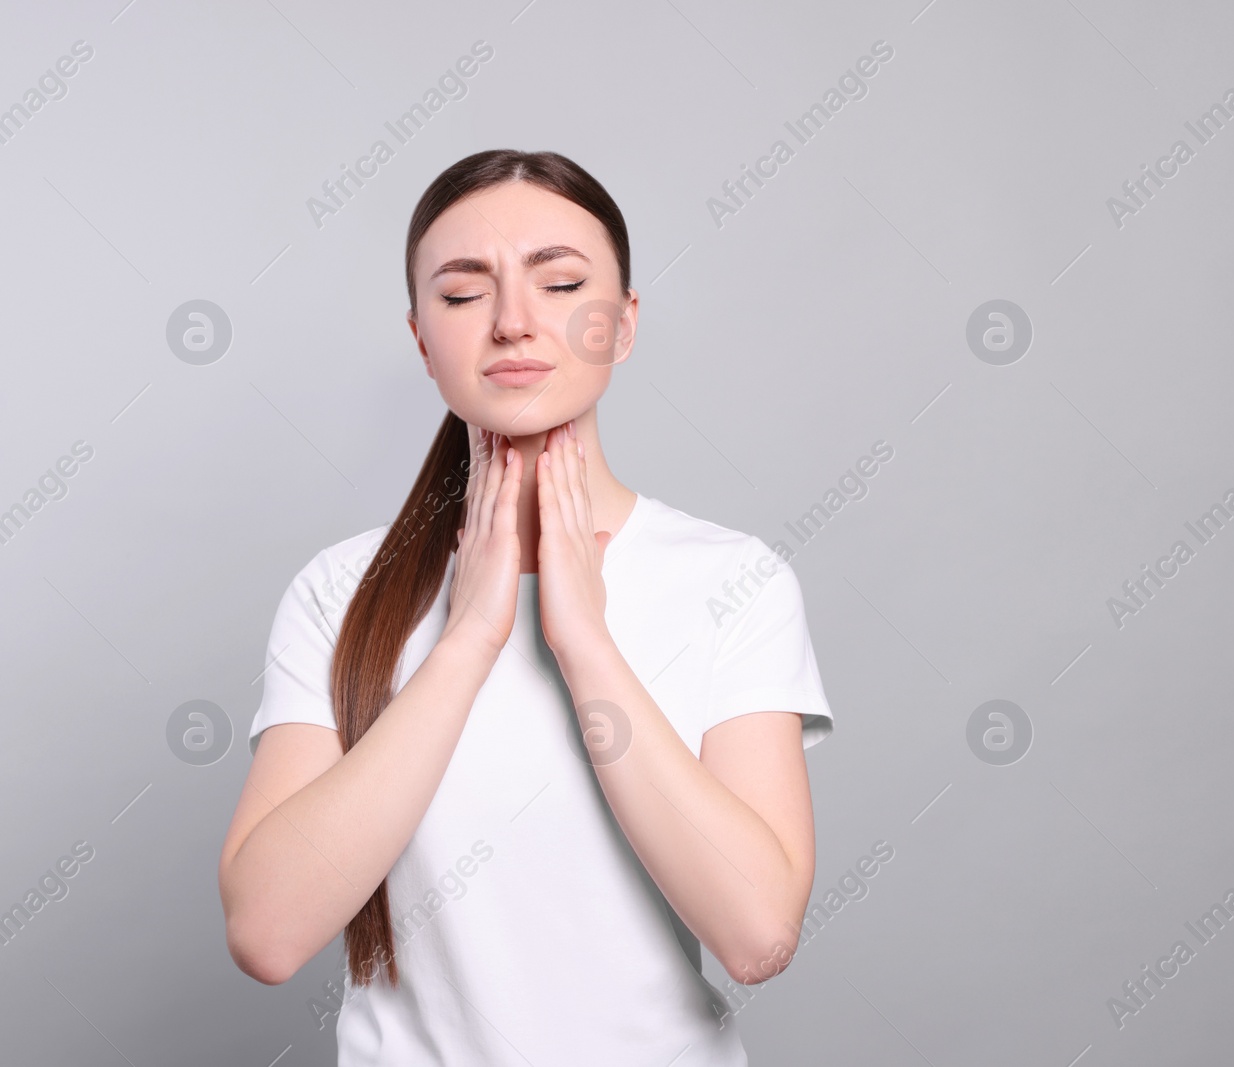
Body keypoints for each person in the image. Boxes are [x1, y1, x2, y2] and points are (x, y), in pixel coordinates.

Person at [217, 149, 834, 1065]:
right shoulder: (338, 591)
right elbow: (267, 933)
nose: (511, 322)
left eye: (559, 284)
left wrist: (582, 638)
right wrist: (466, 639)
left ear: (623, 326)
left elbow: (757, 935)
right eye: (464, 295)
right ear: (423, 339)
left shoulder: (733, 581)